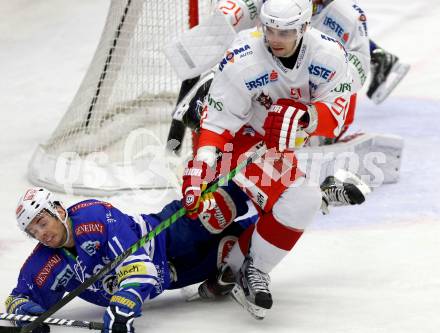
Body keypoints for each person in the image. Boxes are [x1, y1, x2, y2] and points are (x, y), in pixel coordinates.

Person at [180, 0, 356, 320]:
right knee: (293, 198)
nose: (275, 37)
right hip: (242, 141)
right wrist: (199, 166)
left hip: (280, 147)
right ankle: (245, 270)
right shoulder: (242, 56)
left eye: (286, 31)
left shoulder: (329, 55)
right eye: (270, 29)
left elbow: (339, 115)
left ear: (304, 27)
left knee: (300, 198)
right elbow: (218, 124)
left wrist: (306, 117)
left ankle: (236, 269)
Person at [6, 184, 253, 333]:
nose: (42, 234)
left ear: (59, 211)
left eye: (42, 222)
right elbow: (18, 298)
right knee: (236, 248)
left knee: (222, 205)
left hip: (167, 237)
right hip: (169, 276)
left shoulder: (94, 216)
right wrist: (28, 316)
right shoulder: (46, 261)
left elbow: (138, 268)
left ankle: (276, 181)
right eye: (33, 232)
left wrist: (121, 309)